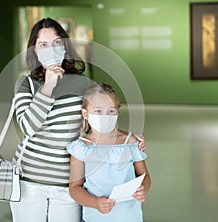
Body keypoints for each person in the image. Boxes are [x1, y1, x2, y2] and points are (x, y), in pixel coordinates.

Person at [11, 17, 146, 222]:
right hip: (28, 180)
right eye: (43, 45)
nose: (51, 49)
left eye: (56, 42)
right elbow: (28, 127)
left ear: (65, 46)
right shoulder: (27, 83)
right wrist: (48, 86)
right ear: (35, 51)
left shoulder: (82, 84)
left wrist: (127, 137)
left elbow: (100, 116)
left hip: (69, 182)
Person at [67, 83, 151, 222]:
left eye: (111, 111)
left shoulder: (130, 143)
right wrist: (95, 202)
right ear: (85, 114)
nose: (105, 116)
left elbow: (144, 176)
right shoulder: (81, 148)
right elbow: (75, 188)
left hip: (130, 216)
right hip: (95, 217)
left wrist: (143, 188)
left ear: (117, 112)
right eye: (98, 111)